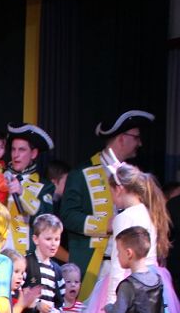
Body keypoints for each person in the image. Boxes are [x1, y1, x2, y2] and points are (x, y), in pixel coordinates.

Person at [74, 162, 180, 313]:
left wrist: (112, 304)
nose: (112, 197)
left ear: (120, 189)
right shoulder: (149, 212)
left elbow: (117, 263)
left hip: (130, 284)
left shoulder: (124, 217)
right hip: (153, 282)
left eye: (111, 191)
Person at [61, 109, 154, 300]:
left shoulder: (134, 175)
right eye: (136, 137)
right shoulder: (82, 173)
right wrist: (105, 225)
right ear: (122, 138)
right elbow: (68, 216)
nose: (140, 143)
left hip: (128, 267)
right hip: (93, 268)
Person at [3, 123, 56, 257]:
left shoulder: (44, 186)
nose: (16, 155)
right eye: (13, 149)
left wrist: (22, 193)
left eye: (21, 150)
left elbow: (46, 222)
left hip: (26, 257)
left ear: (33, 153)